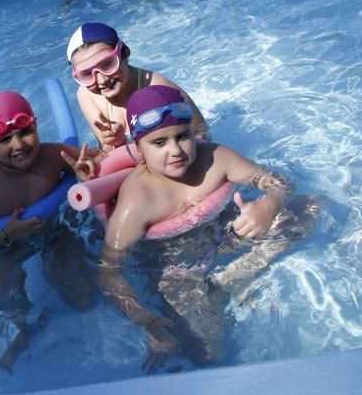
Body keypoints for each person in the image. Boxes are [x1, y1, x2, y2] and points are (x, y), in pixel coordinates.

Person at [98, 85, 319, 371]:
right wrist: (146, 321)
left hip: (224, 234)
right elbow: (108, 270)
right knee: (208, 352)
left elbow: (279, 182)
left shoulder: (215, 158)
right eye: (159, 143)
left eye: (182, 136)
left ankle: (236, 275)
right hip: (175, 268)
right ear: (138, 149)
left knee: (311, 208)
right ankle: (216, 289)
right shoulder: (138, 201)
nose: (175, 150)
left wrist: (269, 206)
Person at [0, 91, 101, 371]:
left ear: (35, 126)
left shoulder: (54, 155)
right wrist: (5, 235)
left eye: (26, 132)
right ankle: (22, 331)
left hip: (57, 230)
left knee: (82, 298)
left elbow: (98, 163)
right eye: (5, 140)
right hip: (11, 246)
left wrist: (87, 173)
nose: (19, 145)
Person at [66, 22, 209, 152]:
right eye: (86, 74)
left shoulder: (159, 91)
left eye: (108, 64)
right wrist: (114, 142)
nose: (102, 80)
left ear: (125, 54)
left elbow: (201, 138)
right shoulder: (86, 95)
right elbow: (108, 152)